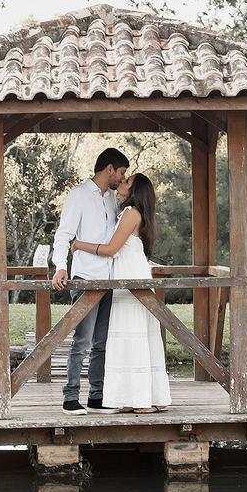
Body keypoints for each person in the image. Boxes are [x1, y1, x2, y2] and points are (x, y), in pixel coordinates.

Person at [69, 173, 171, 414]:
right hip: (132, 272)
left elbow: (112, 249)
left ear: (135, 191)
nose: (122, 182)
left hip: (129, 278)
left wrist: (78, 244)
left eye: (127, 181)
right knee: (135, 336)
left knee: (132, 335)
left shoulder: (131, 213)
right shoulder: (136, 214)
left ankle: (143, 400)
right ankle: (144, 397)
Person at [51, 148, 130, 416]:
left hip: (109, 279)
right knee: (81, 341)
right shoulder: (78, 195)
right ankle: (70, 397)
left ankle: (97, 396)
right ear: (109, 169)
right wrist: (61, 267)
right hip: (86, 278)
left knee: (102, 342)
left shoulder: (111, 199)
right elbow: (63, 235)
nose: (123, 178)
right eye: (121, 172)